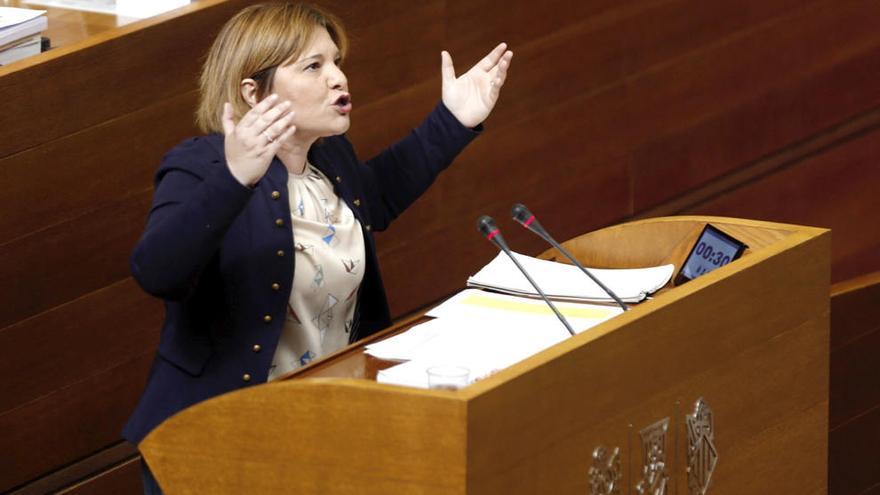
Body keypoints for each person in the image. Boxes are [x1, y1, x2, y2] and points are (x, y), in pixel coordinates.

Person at [122, 1, 512, 492]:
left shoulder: (329, 159)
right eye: (314, 66)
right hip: (214, 442)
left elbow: (380, 194)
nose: (338, 78)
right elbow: (157, 271)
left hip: (319, 424)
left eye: (336, 61)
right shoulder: (202, 166)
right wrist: (237, 177)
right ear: (254, 92)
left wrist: (452, 120)